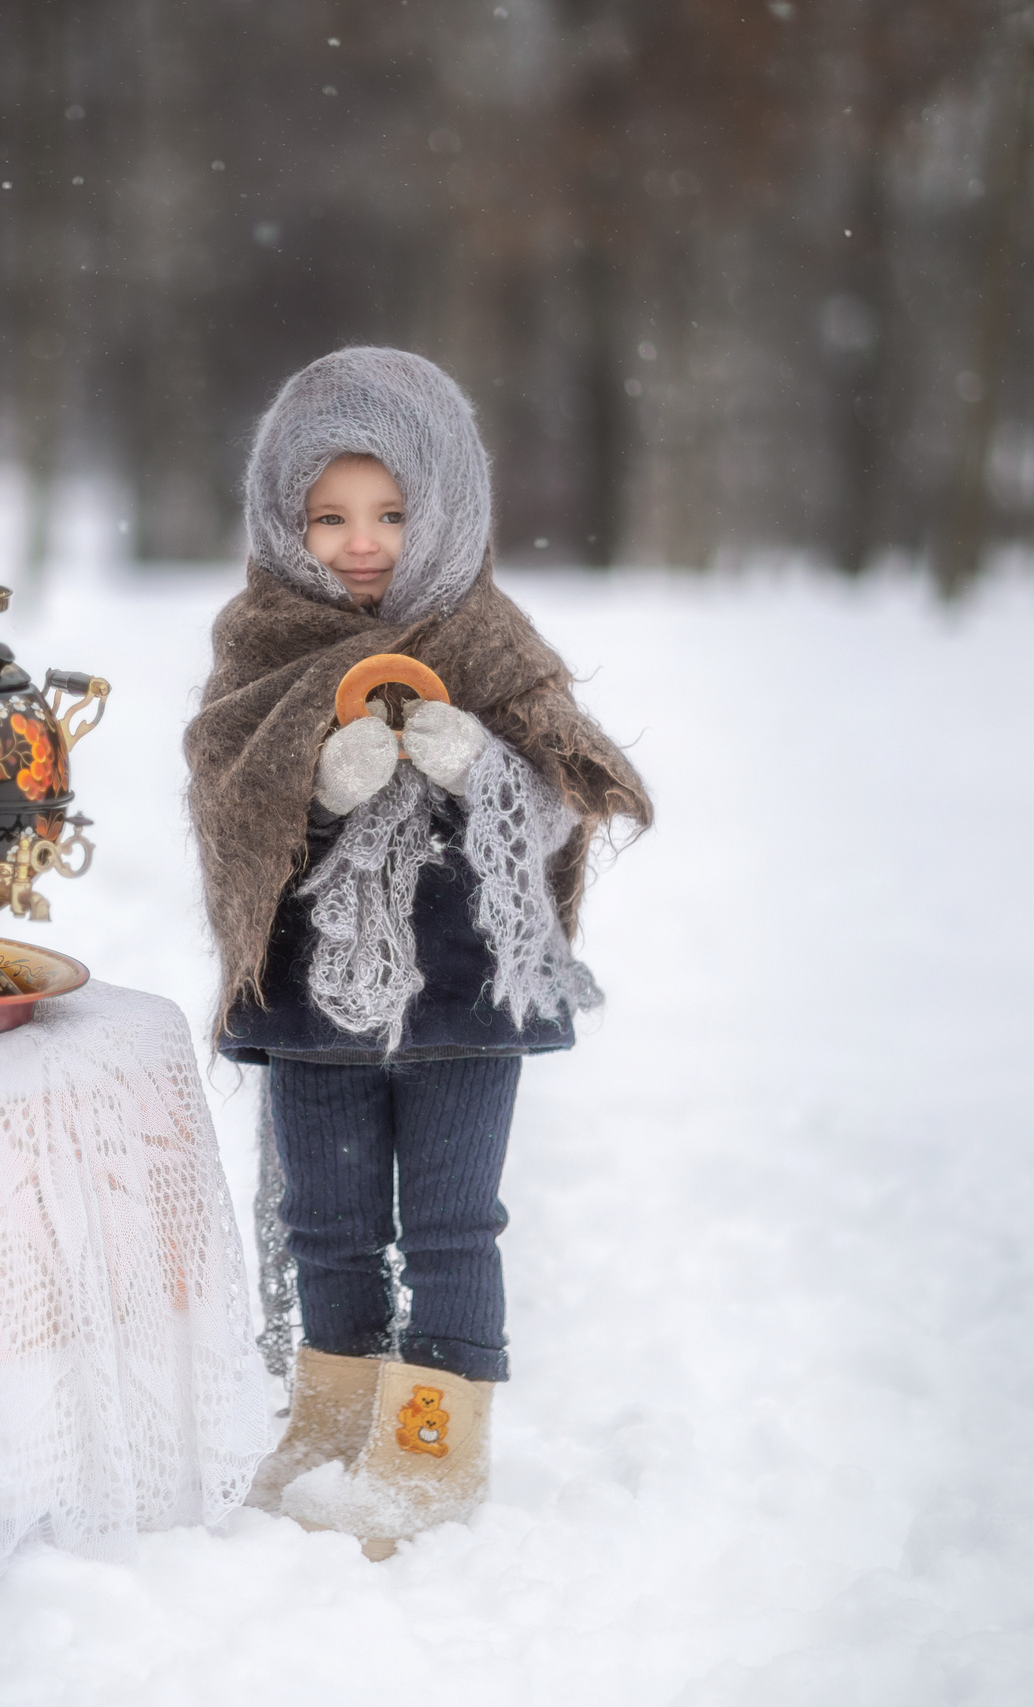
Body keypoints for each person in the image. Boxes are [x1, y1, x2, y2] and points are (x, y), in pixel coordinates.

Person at [184, 346, 651, 1557]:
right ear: (282, 522)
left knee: (450, 1221)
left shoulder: (485, 639)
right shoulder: (260, 642)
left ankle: (436, 1443)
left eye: (390, 512)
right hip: (311, 998)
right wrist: (314, 781)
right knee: (329, 1223)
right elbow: (228, 799)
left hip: (466, 994)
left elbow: (562, 797)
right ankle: (332, 1420)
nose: (360, 543)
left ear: (443, 506)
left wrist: (472, 765)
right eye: (327, 515)